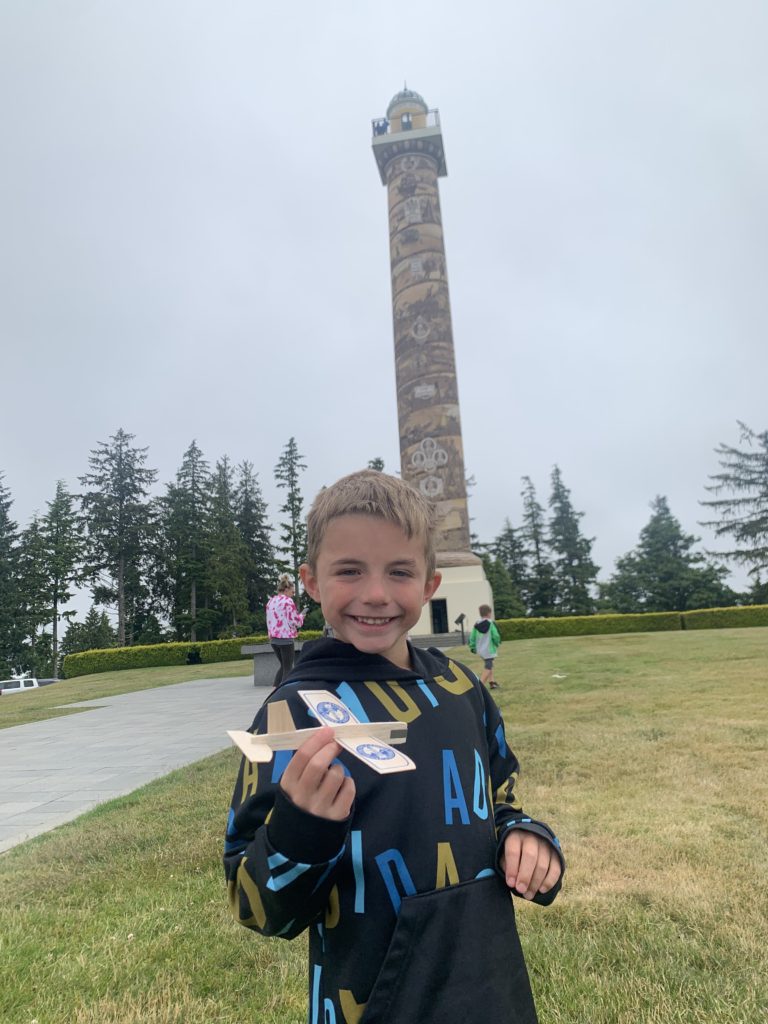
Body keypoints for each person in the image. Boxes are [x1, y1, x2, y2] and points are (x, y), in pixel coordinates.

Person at [224, 470, 564, 1024]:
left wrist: (525, 837)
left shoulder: (461, 689)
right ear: (311, 582)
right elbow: (258, 907)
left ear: (430, 584)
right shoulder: (293, 712)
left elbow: (499, 798)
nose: (376, 594)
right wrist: (302, 827)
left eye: (399, 572)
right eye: (349, 571)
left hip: (487, 986)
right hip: (370, 1000)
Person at [265, 573, 304, 688]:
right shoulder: (288, 601)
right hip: (285, 638)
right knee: (288, 667)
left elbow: (269, 620)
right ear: (286, 589)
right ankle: (284, 692)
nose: (293, 594)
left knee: (283, 666)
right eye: (293, 592)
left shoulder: (270, 601)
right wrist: (301, 617)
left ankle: (275, 689)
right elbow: (294, 621)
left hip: (274, 639)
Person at [469, 603, 502, 689]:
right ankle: (480, 686)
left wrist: (472, 647)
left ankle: (492, 682)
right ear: (489, 613)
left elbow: (472, 637)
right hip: (489, 649)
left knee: (489, 664)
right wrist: (497, 642)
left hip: (480, 649)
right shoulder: (491, 623)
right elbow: (495, 635)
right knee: (488, 666)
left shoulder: (476, 624)